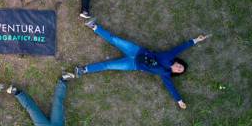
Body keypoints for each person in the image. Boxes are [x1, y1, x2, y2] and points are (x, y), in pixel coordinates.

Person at [75, 19, 210, 109]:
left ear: (175, 73)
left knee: (108, 65)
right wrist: (195, 40)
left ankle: (84, 70)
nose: (179, 68)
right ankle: (94, 26)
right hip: (137, 51)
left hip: (132, 64)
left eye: (179, 71)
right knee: (115, 40)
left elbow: (171, 88)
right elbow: (181, 47)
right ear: (178, 63)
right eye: (180, 66)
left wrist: (179, 100)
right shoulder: (170, 56)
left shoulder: (166, 75)